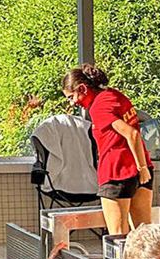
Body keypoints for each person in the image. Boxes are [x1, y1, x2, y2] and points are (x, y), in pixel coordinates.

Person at [63, 65, 153, 235]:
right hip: (140, 169)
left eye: (71, 97)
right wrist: (142, 168)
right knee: (146, 235)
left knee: (118, 237)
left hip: (116, 172)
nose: (73, 103)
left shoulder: (98, 107)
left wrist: (141, 168)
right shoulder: (115, 95)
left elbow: (132, 134)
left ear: (82, 89)